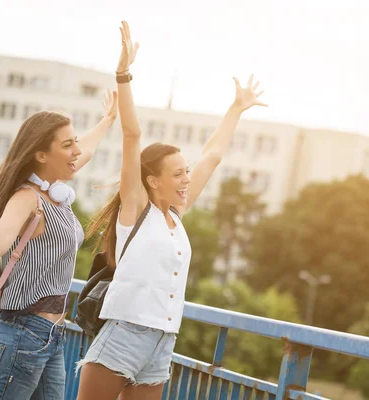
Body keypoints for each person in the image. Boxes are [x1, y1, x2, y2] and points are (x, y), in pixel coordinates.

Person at [76, 21, 266, 400]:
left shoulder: (174, 218)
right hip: (125, 332)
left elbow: (211, 156)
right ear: (152, 180)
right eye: (177, 173)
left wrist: (235, 109)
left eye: (186, 173)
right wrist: (123, 75)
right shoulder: (136, 209)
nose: (186, 179)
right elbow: (132, 134)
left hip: (163, 340)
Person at [0, 90, 118, 400]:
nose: (76, 150)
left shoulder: (58, 194)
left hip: (51, 336)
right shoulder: (28, 198)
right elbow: (2, 232)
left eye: (75, 141)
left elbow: (86, 149)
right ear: (41, 155)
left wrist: (109, 119)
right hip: (23, 332)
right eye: (67, 145)